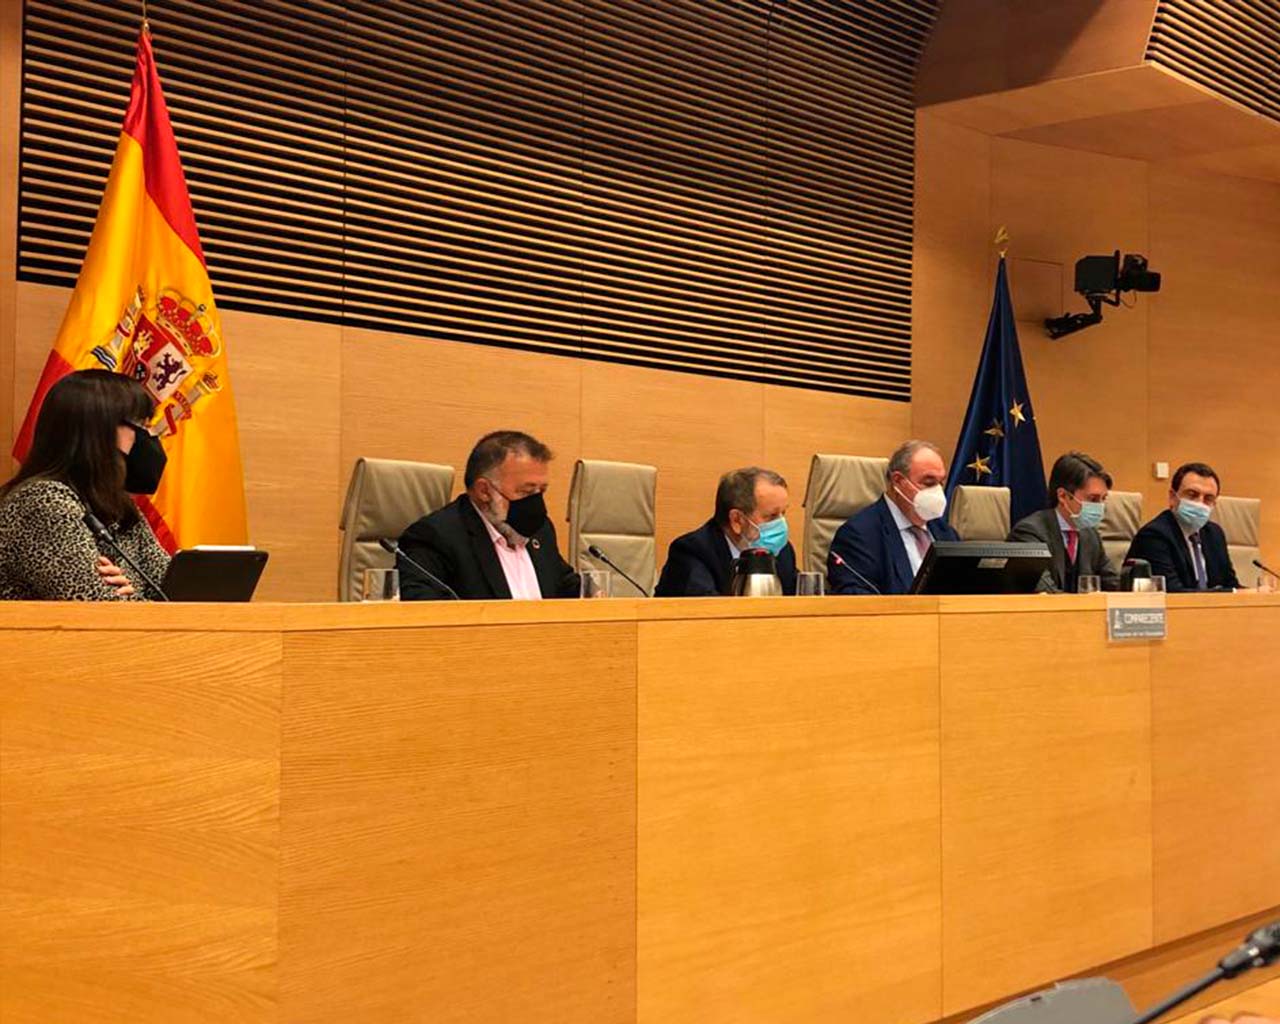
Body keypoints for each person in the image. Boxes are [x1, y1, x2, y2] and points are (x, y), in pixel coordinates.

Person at [0, 370, 171, 601]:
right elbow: (94, 605)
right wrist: (135, 603)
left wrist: (133, 598)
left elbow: (175, 589)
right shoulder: (43, 501)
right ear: (99, 432)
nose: (148, 436)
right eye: (140, 424)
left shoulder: (118, 506)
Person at [397, 430, 579, 600]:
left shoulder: (540, 529)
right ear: (484, 491)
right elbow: (423, 608)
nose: (535, 503)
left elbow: (566, 586)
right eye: (526, 492)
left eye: (542, 491)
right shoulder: (436, 537)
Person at [826, 439, 960, 595]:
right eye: (929, 482)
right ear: (898, 481)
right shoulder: (859, 535)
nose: (937, 492)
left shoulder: (946, 534)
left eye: (940, 483)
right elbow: (857, 598)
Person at [655, 467, 798, 596]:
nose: (781, 524)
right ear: (736, 520)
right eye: (772, 516)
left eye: (783, 513)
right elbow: (709, 610)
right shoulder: (692, 552)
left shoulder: (783, 552)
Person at [1008, 451, 1120, 592]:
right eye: (1093, 499)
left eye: (1103, 499)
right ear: (1062, 496)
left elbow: (1114, 585)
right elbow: (1045, 593)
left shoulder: (1091, 536)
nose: (1100, 506)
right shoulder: (1029, 534)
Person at [1127, 461, 1240, 592]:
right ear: (1172, 497)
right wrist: (1231, 592)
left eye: (1208, 498)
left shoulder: (1214, 533)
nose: (1200, 503)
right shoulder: (1154, 535)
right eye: (1192, 495)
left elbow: (1230, 583)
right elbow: (1172, 592)